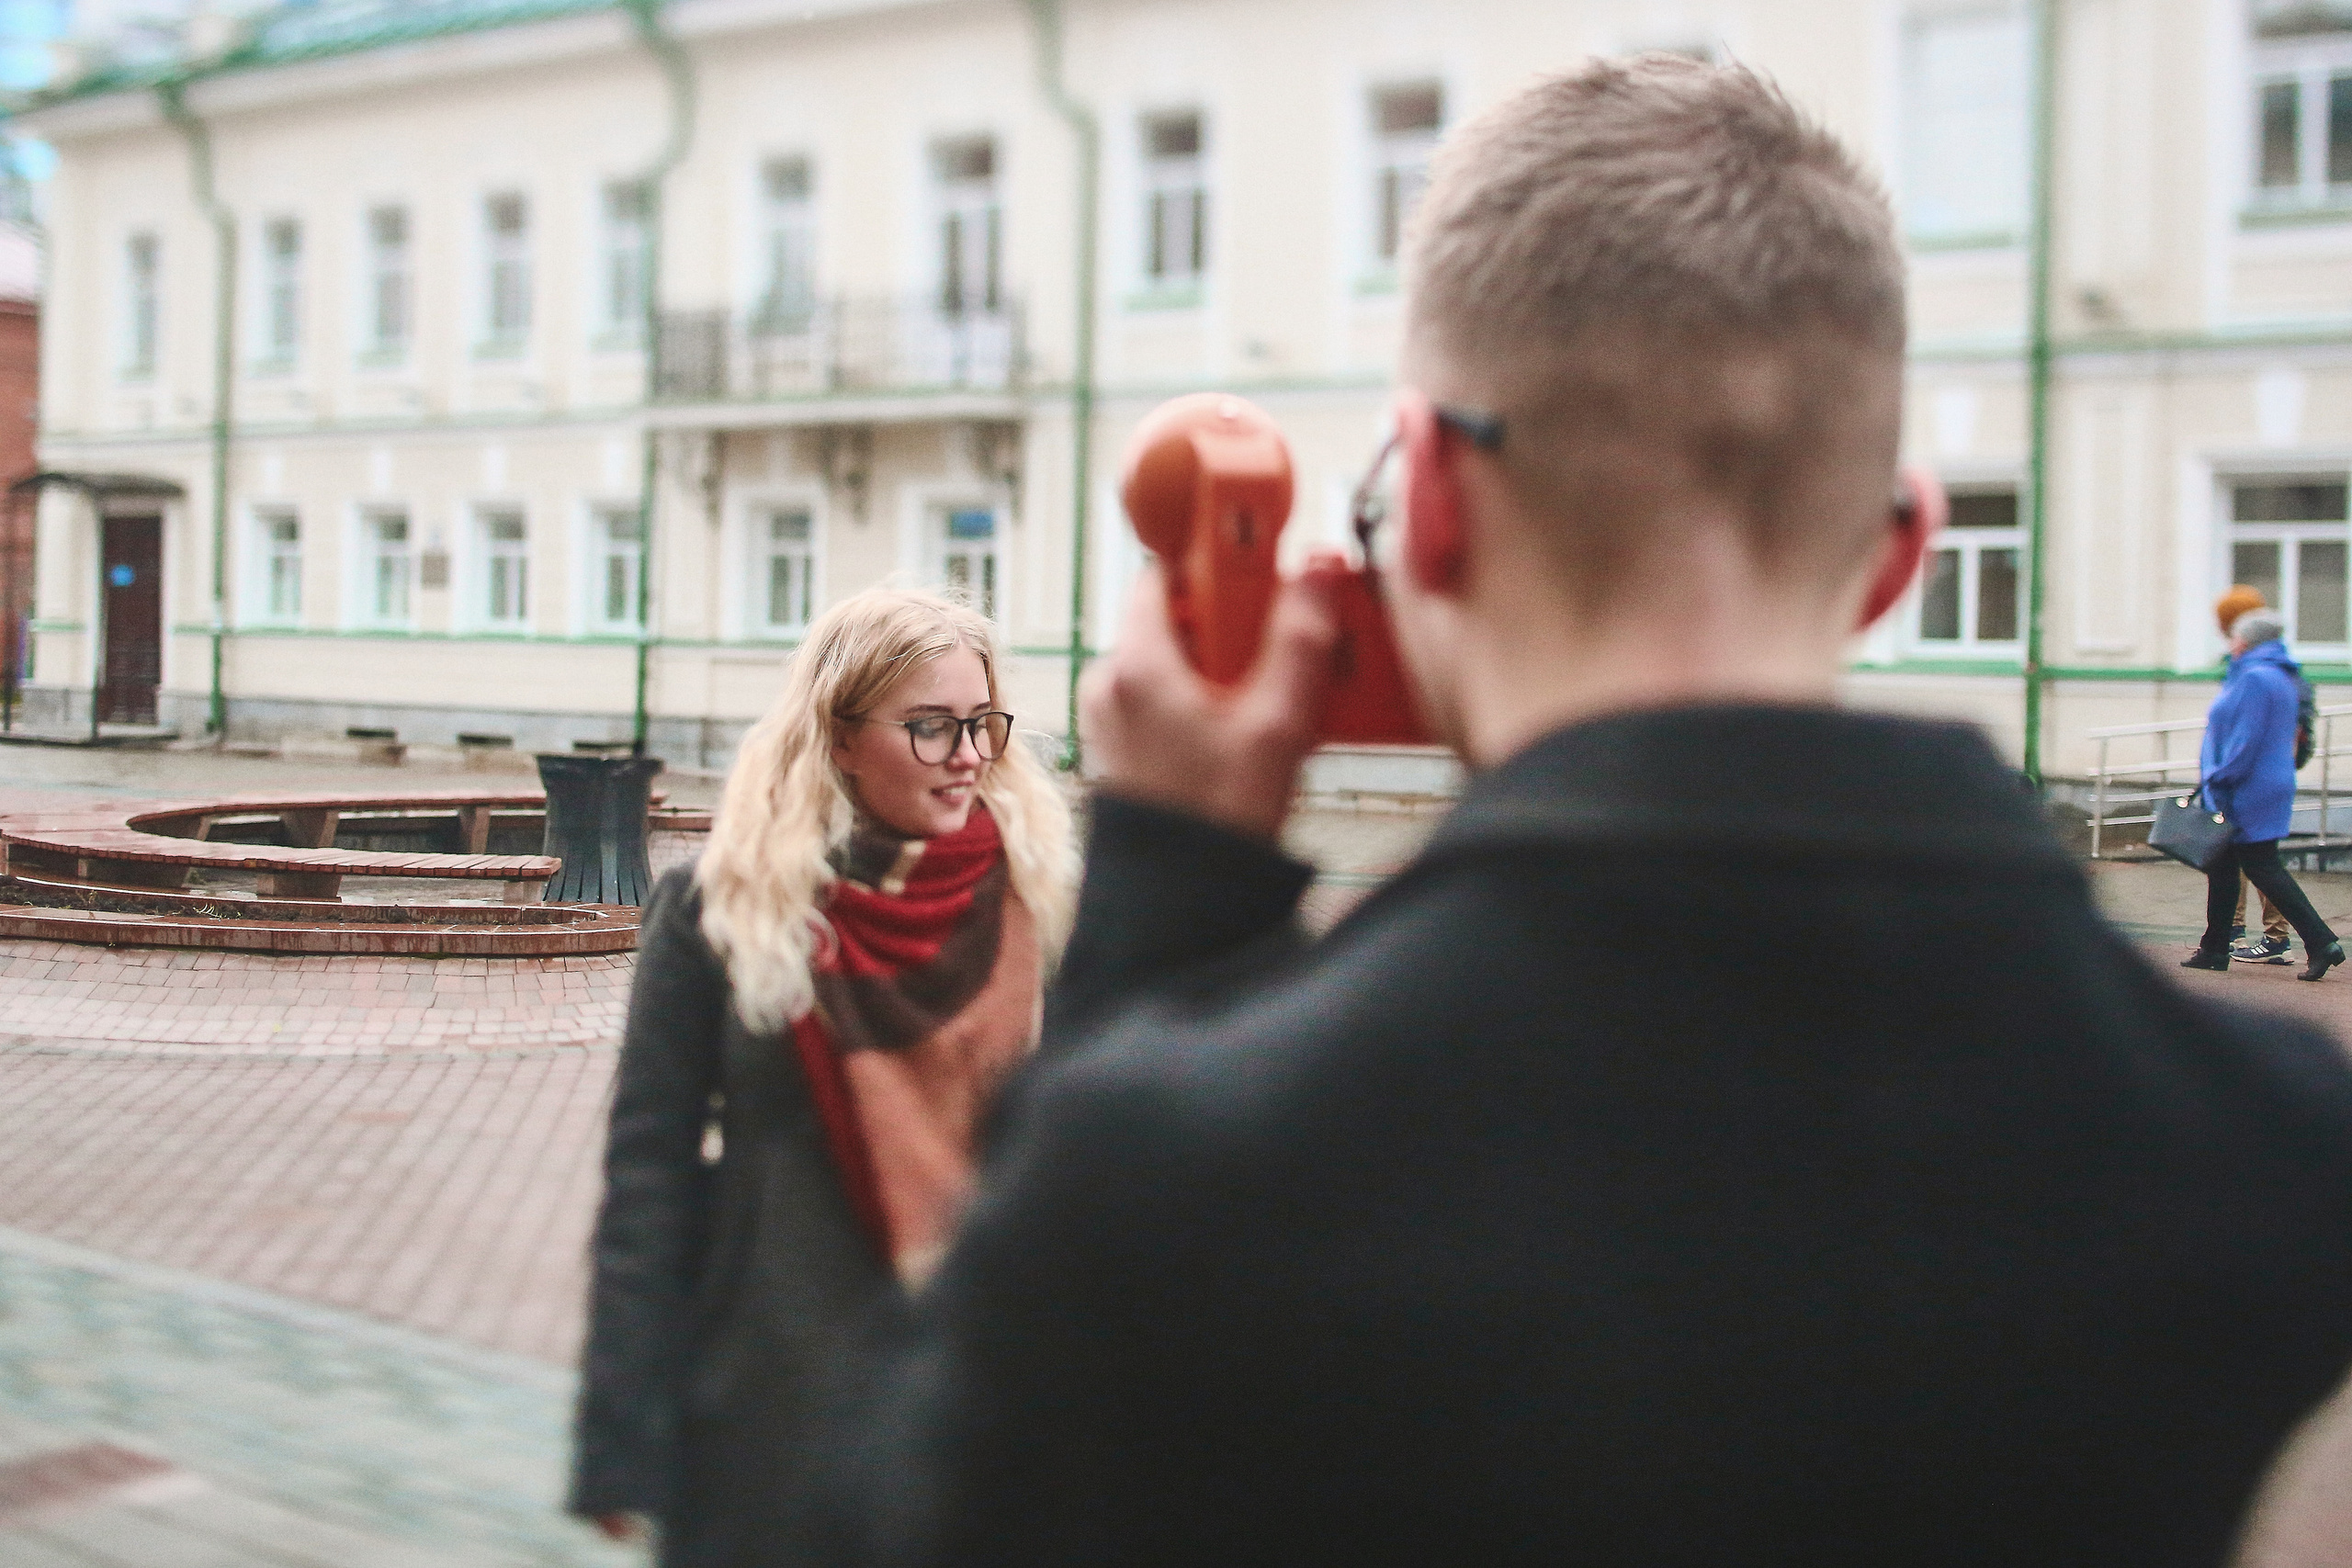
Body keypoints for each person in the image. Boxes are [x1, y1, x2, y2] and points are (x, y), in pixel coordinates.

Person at [798, 58, 2352, 1568]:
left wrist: (1172, 881)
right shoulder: (2266, 1137)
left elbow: (934, 1499)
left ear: (1431, 502)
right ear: (1900, 551)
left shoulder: (1179, 1154)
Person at [568, 587, 1075, 1567]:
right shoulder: (722, 908)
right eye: (930, 726)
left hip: (975, 1398)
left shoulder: (1039, 904)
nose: (969, 754)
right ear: (840, 736)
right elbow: (648, 1176)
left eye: (982, 722)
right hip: (771, 1406)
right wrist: (621, 1432)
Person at [2182, 607, 2342, 981]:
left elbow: (2245, 740)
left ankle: (2322, 942)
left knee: (2262, 866)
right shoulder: (2279, 674)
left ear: (2247, 640)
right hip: (2263, 782)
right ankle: (2214, 948)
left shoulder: (2255, 677)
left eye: (2236, 636)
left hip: (2246, 786)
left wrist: (2219, 779)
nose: (2231, 643)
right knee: (2225, 866)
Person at [2212, 586, 2296, 963]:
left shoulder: (2262, 672)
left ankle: (2278, 936)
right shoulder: (2252, 668)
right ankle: (2231, 931)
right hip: (2253, 774)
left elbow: (2254, 731)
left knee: (2260, 861)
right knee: (2238, 856)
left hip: (2253, 778)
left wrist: (2223, 774)